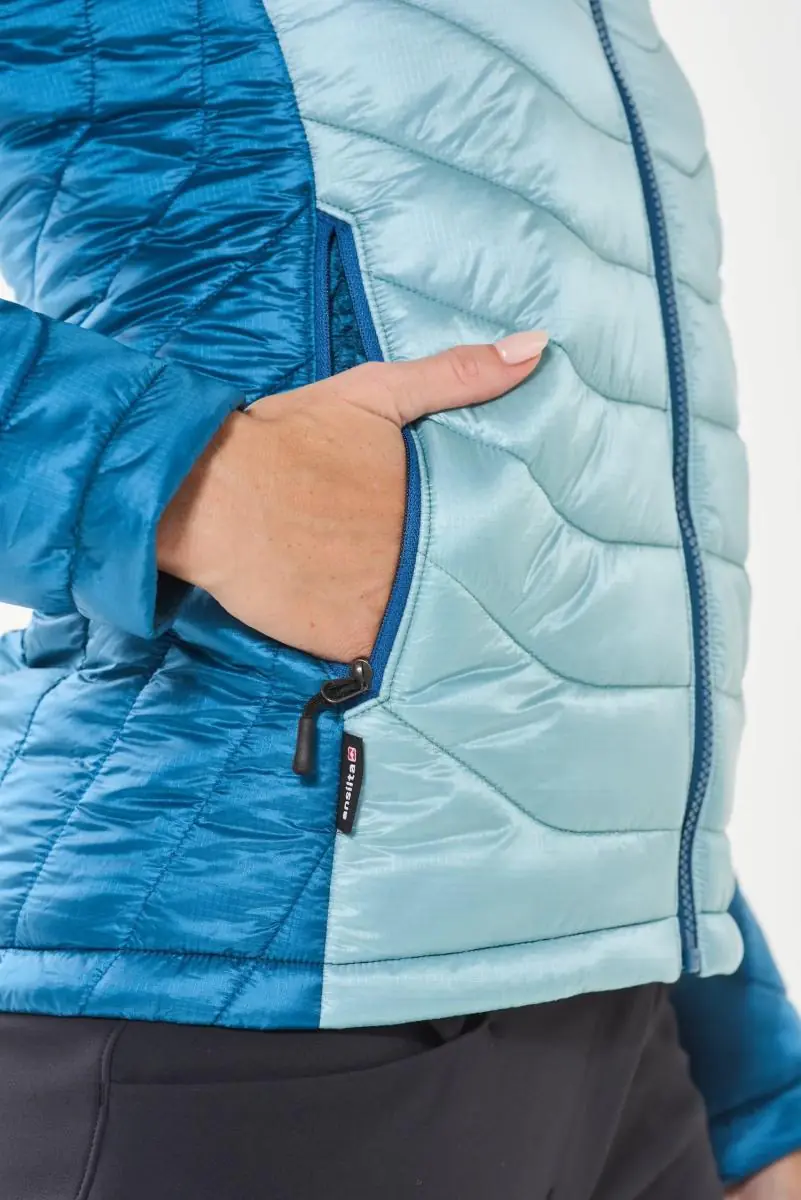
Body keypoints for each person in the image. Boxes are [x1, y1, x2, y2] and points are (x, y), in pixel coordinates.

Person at [0, 1, 799, 1197]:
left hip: (624, 1029)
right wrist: (193, 484)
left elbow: (593, 596)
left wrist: (747, 1084)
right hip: (251, 990)